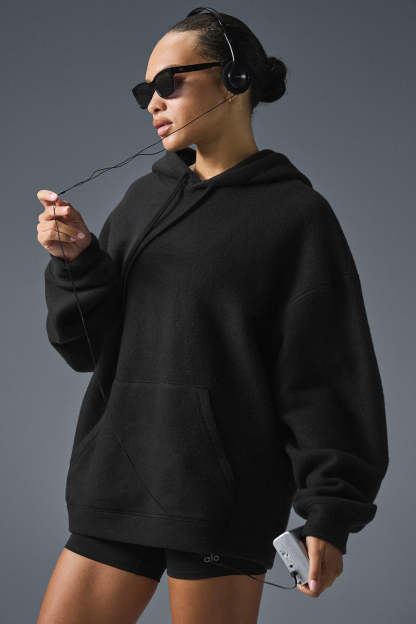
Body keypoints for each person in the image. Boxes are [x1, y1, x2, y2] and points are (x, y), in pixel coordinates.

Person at [35, 9, 389, 624]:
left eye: (168, 83)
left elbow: (327, 376)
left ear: (235, 78)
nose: (153, 102)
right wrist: (79, 262)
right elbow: (85, 349)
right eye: (144, 91)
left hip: (222, 500)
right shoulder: (144, 199)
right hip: (117, 482)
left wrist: (330, 513)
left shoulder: (296, 217)